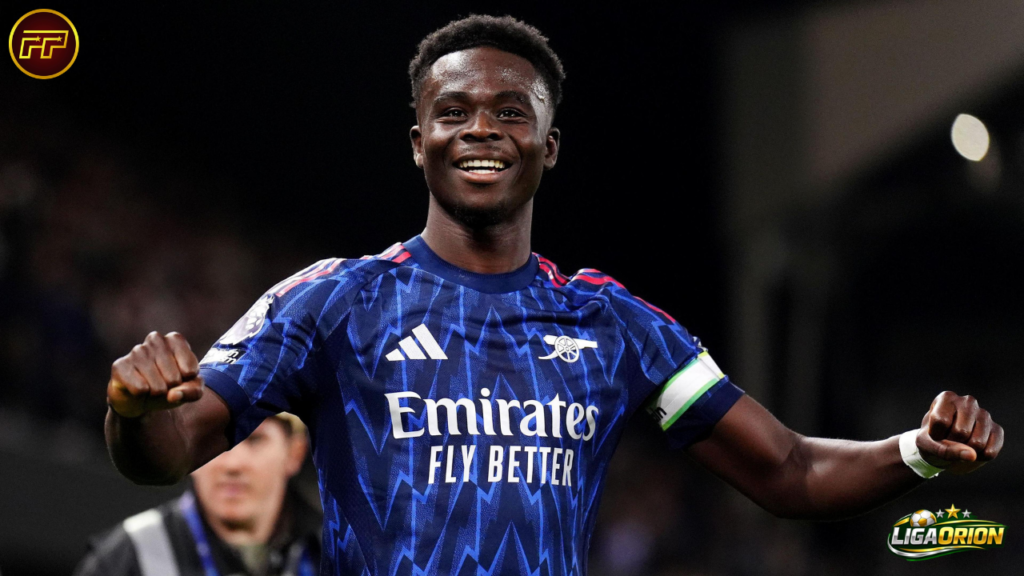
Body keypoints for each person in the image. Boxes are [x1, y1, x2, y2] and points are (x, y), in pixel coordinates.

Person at [103, 15, 1005, 576]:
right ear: (417, 142)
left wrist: (915, 454)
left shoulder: (614, 325)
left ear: (550, 145)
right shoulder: (334, 302)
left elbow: (789, 471)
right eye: (453, 113)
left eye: (511, 112)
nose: (481, 130)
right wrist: (134, 410)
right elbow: (170, 451)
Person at [78, 414, 320, 576]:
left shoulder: (333, 554)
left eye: (255, 440)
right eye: (214, 439)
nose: (232, 464)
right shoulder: (126, 558)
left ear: (294, 453)